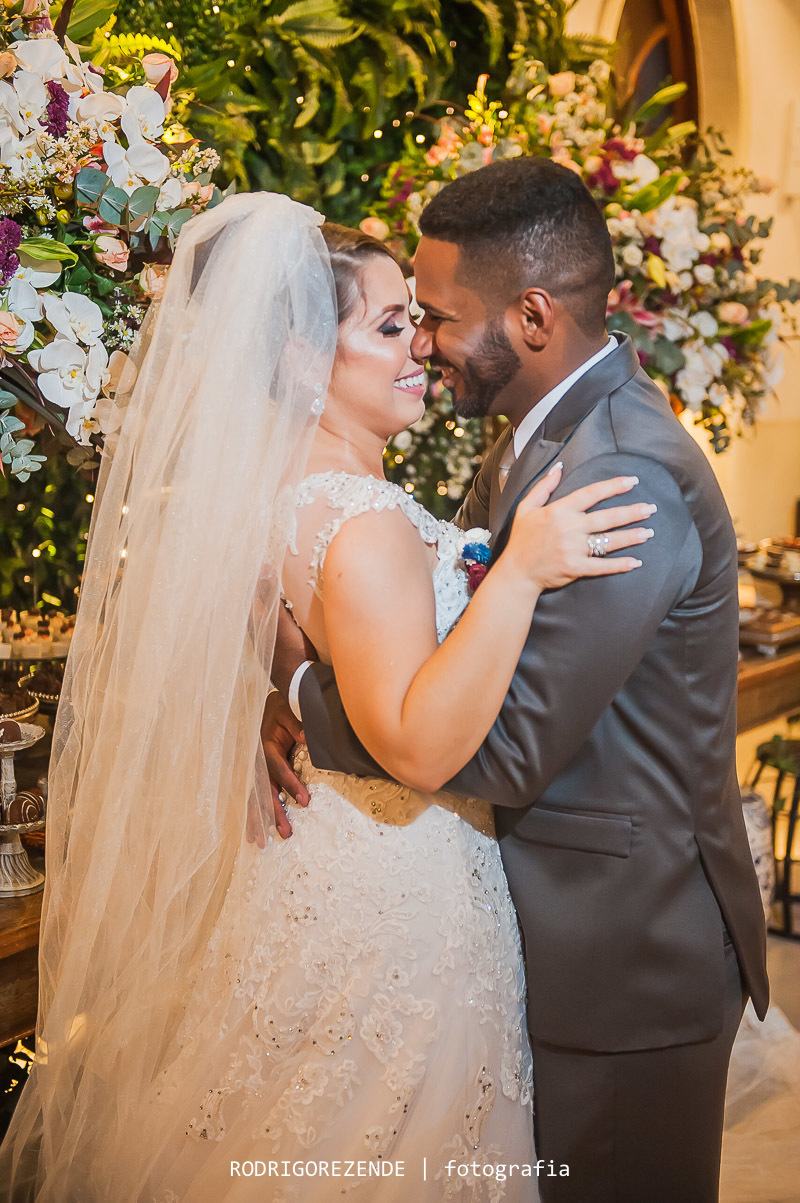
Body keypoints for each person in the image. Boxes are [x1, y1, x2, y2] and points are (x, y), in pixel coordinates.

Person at [0, 193, 650, 1201]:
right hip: (400, 892)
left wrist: (283, 697)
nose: (420, 348)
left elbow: (275, 651)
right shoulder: (362, 520)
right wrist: (519, 573)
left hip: (326, 868)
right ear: (306, 359)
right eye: (389, 326)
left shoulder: (281, 502)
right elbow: (418, 747)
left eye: (415, 322)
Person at [265, 158, 771, 1203]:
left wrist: (307, 698)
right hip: (536, 936)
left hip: (618, 959)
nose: (424, 343)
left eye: (437, 317)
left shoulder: (620, 471)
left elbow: (502, 744)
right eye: (404, 320)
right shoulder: (541, 439)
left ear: (531, 317)